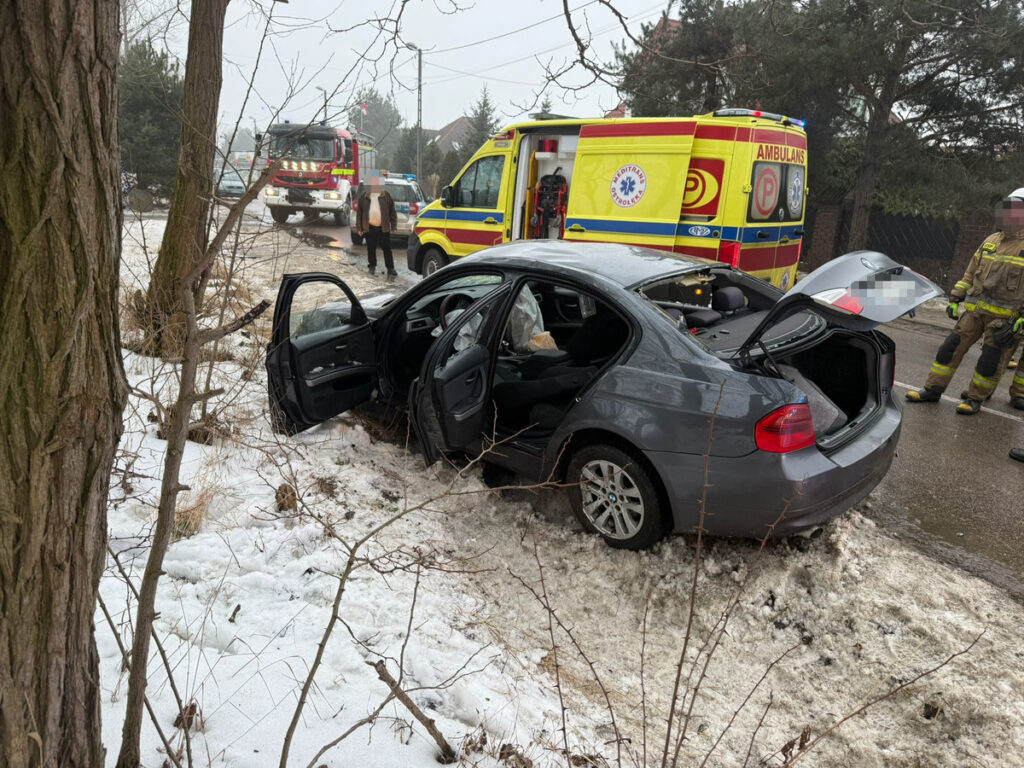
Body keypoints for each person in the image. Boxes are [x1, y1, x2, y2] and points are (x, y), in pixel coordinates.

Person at [906, 187, 1024, 414]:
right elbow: (971, 273)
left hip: (1004, 320)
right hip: (974, 312)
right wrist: (955, 298)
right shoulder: (991, 240)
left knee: (990, 362)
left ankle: (975, 399)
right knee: (949, 349)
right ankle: (932, 390)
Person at [355, 174, 398, 277]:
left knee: (387, 248)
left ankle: (390, 268)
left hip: (383, 227)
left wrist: (394, 226)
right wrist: (360, 228)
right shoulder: (364, 196)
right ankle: (372, 266)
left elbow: (392, 212)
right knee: (371, 248)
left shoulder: (386, 195)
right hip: (369, 227)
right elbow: (359, 213)